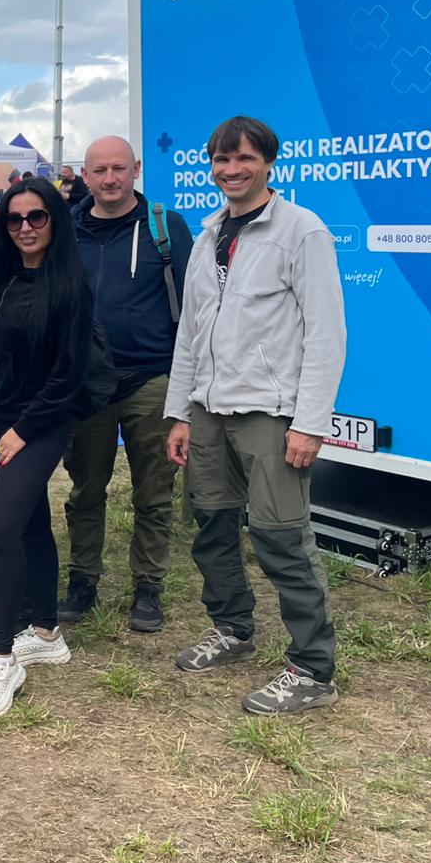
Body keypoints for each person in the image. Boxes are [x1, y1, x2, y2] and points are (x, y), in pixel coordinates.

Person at [166, 116, 345, 715]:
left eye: (244, 158)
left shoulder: (301, 230)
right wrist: (180, 412)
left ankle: (313, 669)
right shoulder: (208, 233)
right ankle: (233, 629)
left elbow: (326, 334)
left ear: (268, 162)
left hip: (271, 413)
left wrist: (310, 422)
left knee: (281, 537)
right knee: (213, 528)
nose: (232, 170)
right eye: (221, 160)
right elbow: (191, 333)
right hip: (207, 411)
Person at [0, 179, 95, 719]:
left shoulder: (70, 286)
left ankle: (2, 657)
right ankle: (46, 632)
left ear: (54, 220)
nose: (25, 228)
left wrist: (22, 429)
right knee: (31, 522)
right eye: (14, 219)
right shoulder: (1, 278)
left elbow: (69, 375)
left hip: (40, 424)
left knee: (1, 528)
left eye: (36, 217)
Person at [58, 137, 194, 634]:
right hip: (86, 382)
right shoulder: (66, 229)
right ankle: (83, 581)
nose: (110, 178)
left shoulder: (165, 227)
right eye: (99, 170)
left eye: (119, 168)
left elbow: (195, 307)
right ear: (85, 176)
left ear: (136, 169)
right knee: (85, 490)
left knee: (153, 492)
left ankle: (148, 587)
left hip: (150, 378)